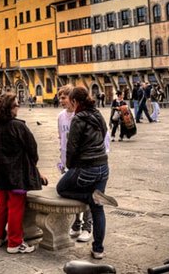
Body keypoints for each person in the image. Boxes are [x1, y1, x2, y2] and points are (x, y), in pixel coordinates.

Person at [56, 86, 118, 260]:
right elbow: (105, 132)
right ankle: (98, 249)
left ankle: (90, 197)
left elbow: (72, 147)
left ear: (75, 102)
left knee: (61, 189)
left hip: (86, 167)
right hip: (103, 167)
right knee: (98, 208)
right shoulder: (97, 114)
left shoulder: (78, 118)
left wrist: (69, 166)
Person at [0, 93, 46, 254]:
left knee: (1, 205)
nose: (18, 107)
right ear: (9, 108)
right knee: (15, 207)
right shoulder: (18, 126)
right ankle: (14, 242)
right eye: (16, 105)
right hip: (17, 174)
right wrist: (33, 164)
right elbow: (32, 149)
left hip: (0, 174)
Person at [56, 85, 92, 242]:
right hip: (68, 161)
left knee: (87, 190)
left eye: (63, 97)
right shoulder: (60, 117)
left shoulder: (83, 116)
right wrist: (62, 160)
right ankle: (76, 224)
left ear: (72, 99)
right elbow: (61, 138)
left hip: (83, 161)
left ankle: (87, 226)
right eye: (60, 98)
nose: (61, 101)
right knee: (73, 191)